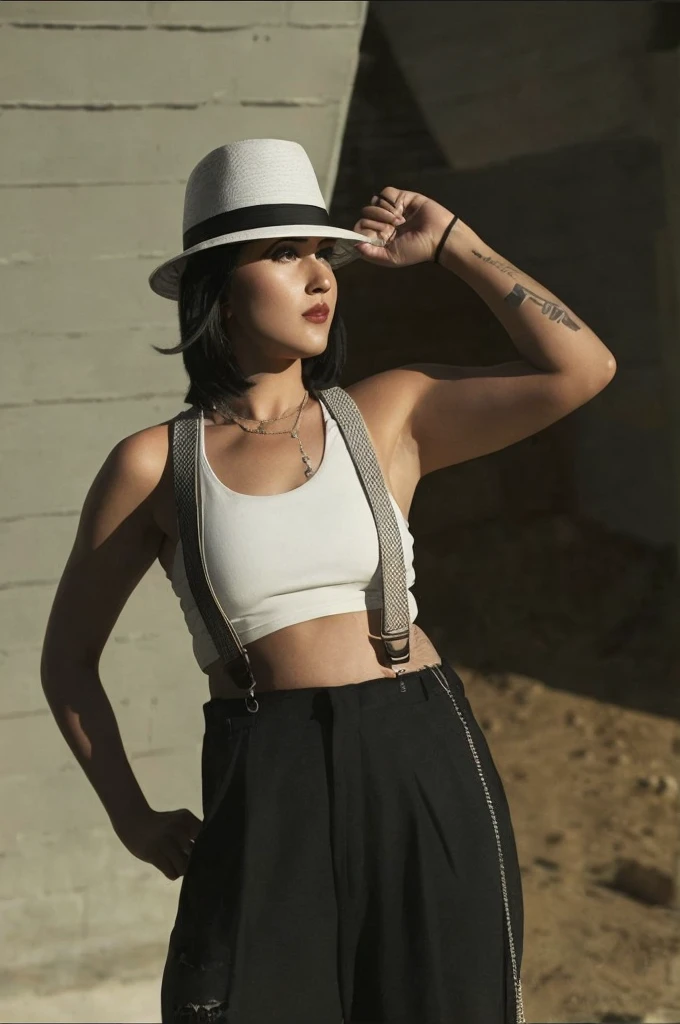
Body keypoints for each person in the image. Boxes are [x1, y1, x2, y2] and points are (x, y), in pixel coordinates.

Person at [40, 138, 616, 1024]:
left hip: (419, 749)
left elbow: (581, 368)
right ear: (218, 287)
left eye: (324, 254)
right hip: (265, 769)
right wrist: (130, 814)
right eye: (283, 254)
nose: (319, 276)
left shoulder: (388, 414)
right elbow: (70, 659)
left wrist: (456, 241)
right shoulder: (155, 464)